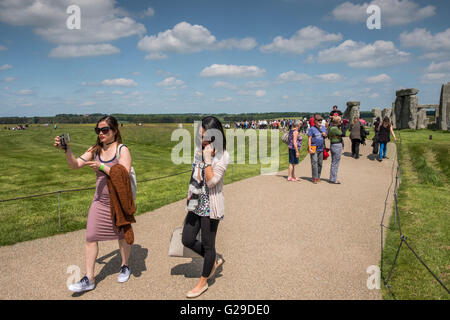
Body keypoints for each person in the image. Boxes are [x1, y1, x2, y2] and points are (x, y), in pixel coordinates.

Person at [54, 115, 134, 293]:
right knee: (91, 236)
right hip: (99, 202)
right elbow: (75, 165)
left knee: (122, 235)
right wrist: (67, 150)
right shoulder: (95, 149)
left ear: (114, 131)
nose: (101, 133)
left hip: (118, 203)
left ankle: (125, 265)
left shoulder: (122, 150)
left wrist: (103, 168)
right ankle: (89, 277)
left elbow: (124, 175)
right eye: (98, 130)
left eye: (105, 130)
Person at [182, 116, 229, 298]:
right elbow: (196, 177)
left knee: (209, 246)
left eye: (206, 137)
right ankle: (213, 260)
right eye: (200, 136)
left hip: (211, 204)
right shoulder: (199, 149)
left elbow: (211, 182)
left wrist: (208, 159)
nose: (202, 141)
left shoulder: (223, 155)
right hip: (196, 202)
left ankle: (203, 282)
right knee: (187, 239)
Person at [307, 116, 327, 184]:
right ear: (315, 121)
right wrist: (309, 148)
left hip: (321, 148)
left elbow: (326, 136)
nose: (320, 121)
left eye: (321, 120)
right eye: (318, 120)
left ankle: (318, 176)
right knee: (314, 162)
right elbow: (309, 138)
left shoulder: (324, 128)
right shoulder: (312, 129)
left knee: (320, 163)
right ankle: (314, 178)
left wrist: (325, 135)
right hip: (314, 147)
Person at [328, 116, 344, 184]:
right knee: (335, 163)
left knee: (334, 162)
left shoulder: (330, 127)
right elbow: (342, 134)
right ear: (337, 122)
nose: (341, 122)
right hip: (337, 145)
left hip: (333, 144)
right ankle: (333, 179)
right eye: (340, 121)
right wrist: (341, 127)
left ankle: (332, 177)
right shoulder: (335, 128)